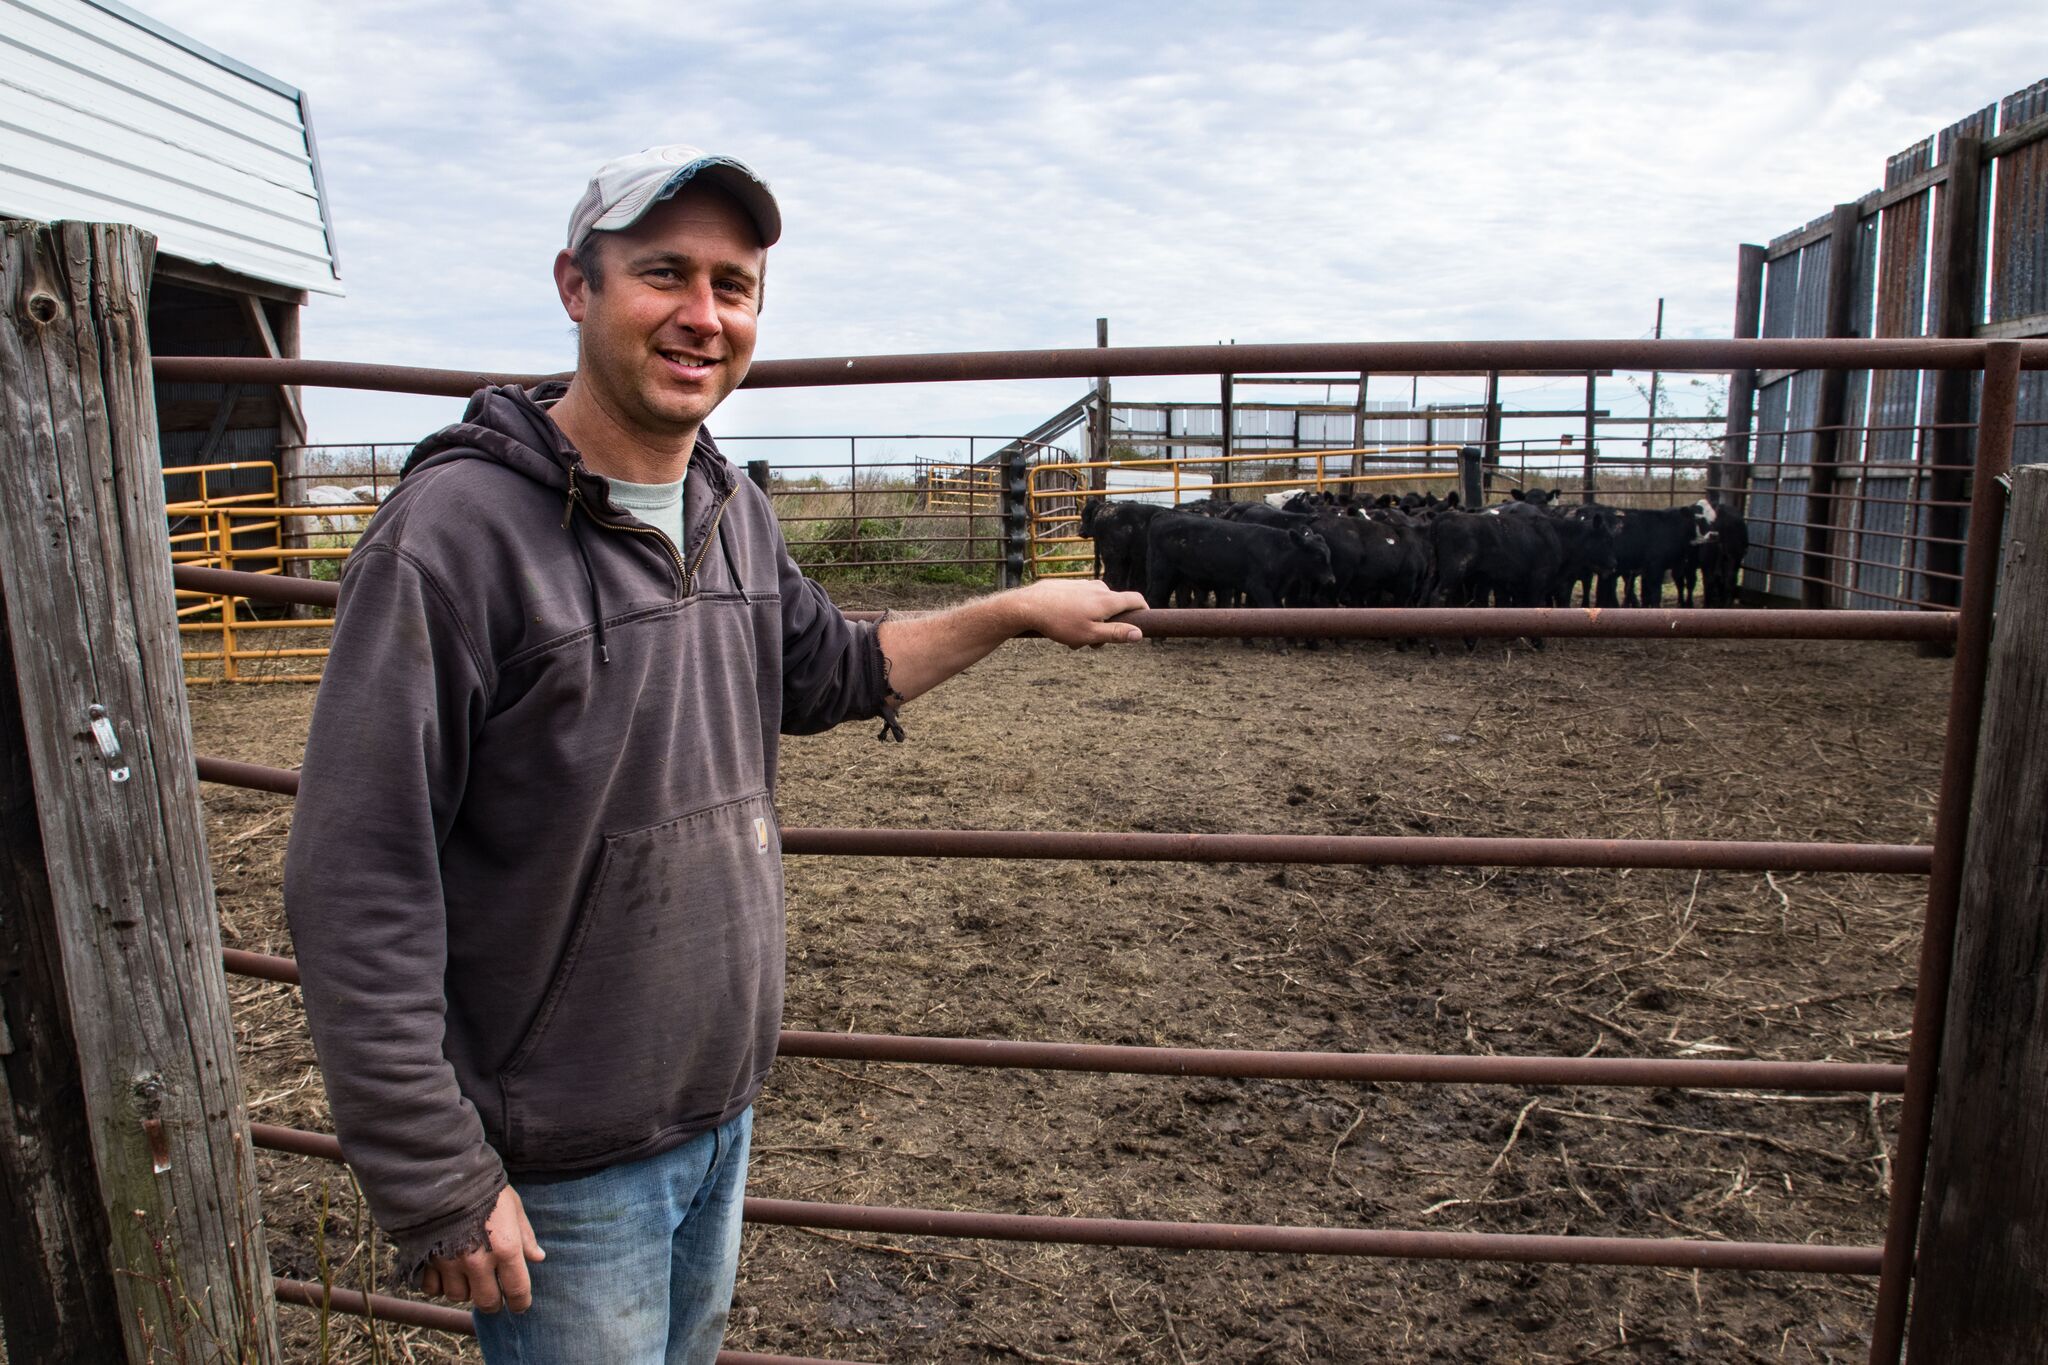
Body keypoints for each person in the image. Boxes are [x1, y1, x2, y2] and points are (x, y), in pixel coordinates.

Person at [281, 143, 1146, 1362]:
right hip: (564, 1162)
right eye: (663, 275)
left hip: (716, 1111)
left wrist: (1008, 611)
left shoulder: (726, 510)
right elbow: (356, 874)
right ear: (576, 289)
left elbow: (831, 668)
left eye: (732, 288)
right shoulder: (452, 541)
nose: (702, 316)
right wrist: (434, 1172)